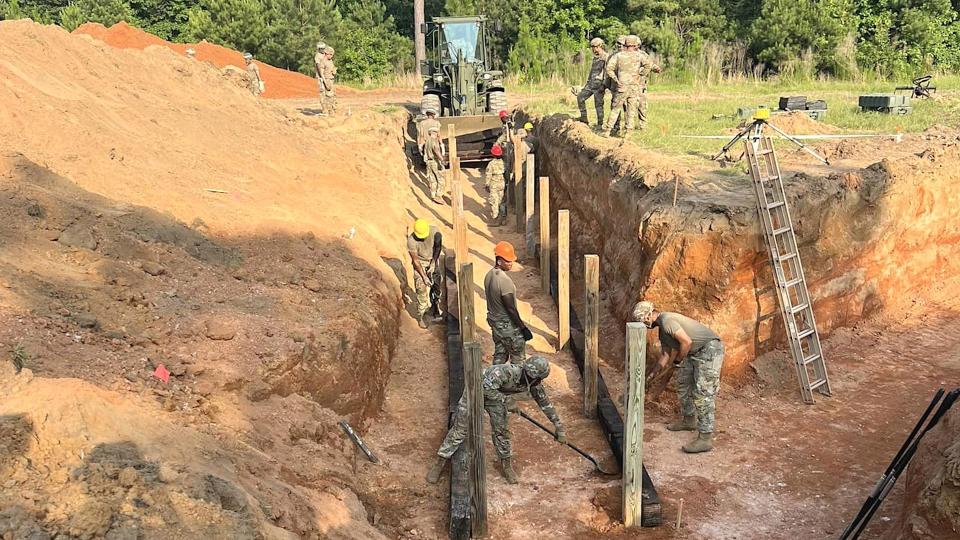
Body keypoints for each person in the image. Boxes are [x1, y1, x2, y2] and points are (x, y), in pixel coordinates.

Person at [426, 356, 565, 484]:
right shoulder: (505, 372)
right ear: (531, 375)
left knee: (501, 431)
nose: (540, 382)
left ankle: (506, 465)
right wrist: (507, 401)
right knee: (460, 430)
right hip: (475, 392)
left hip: (496, 397)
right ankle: (440, 461)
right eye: (539, 379)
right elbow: (485, 388)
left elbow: (546, 404)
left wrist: (558, 427)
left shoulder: (534, 384)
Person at [633, 301, 724, 453]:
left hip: (709, 349)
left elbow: (686, 342)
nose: (645, 326)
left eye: (643, 322)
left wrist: (677, 361)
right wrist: (652, 375)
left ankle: (705, 438)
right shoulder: (662, 330)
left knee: (703, 394)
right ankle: (689, 420)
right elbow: (665, 355)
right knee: (682, 384)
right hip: (693, 352)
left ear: (648, 316)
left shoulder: (667, 320)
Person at [601, 35, 660, 137]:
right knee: (631, 110)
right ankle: (628, 132)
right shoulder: (639, 55)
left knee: (615, 109)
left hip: (621, 86)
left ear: (625, 44)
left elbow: (609, 69)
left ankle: (607, 130)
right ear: (635, 44)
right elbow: (649, 65)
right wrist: (641, 75)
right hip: (634, 87)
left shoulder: (618, 56)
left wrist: (616, 79)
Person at [485, 241, 532, 364]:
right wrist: (523, 328)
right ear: (499, 261)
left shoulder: (489, 275)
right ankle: (517, 382)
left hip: (495, 323)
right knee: (518, 358)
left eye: (511, 260)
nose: (511, 263)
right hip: (507, 325)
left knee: (500, 354)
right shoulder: (504, 281)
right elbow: (510, 308)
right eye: (507, 261)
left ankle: (493, 379)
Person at [407, 219, 443, 329]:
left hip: (432, 259)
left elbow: (438, 247)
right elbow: (416, 261)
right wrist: (424, 276)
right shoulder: (411, 241)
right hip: (420, 263)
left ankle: (435, 306)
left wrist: (433, 263)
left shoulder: (435, 232)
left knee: (437, 285)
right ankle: (422, 315)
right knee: (421, 288)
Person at [576, 37, 608, 127]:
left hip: (599, 85)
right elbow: (592, 71)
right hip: (591, 84)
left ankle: (600, 124)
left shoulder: (606, 57)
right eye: (592, 47)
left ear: (601, 46)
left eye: (595, 46)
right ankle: (584, 119)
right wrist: (587, 82)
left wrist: (603, 85)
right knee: (580, 97)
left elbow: (607, 72)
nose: (594, 49)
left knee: (598, 105)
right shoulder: (595, 58)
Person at [484, 145, 507, 225]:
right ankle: (503, 218)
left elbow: (488, 174)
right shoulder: (504, 163)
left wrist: (487, 184)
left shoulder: (491, 164)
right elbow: (506, 173)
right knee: (502, 201)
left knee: (494, 201)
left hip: (494, 183)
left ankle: (496, 219)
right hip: (502, 183)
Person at [423, 124, 446, 203]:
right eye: (437, 132)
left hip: (429, 162)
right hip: (435, 161)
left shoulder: (427, 141)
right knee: (441, 179)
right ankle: (438, 196)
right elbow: (436, 149)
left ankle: (433, 195)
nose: (438, 134)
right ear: (434, 132)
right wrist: (442, 160)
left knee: (432, 179)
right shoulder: (434, 140)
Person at [317, 46, 337, 115]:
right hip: (326, 79)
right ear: (326, 53)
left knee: (332, 95)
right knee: (325, 96)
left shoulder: (330, 61)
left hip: (331, 79)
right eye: (330, 54)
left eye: (332, 55)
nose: (331, 56)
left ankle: (332, 109)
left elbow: (332, 68)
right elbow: (321, 73)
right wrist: (325, 82)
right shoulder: (323, 61)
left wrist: (334, 71)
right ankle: (325, 110)